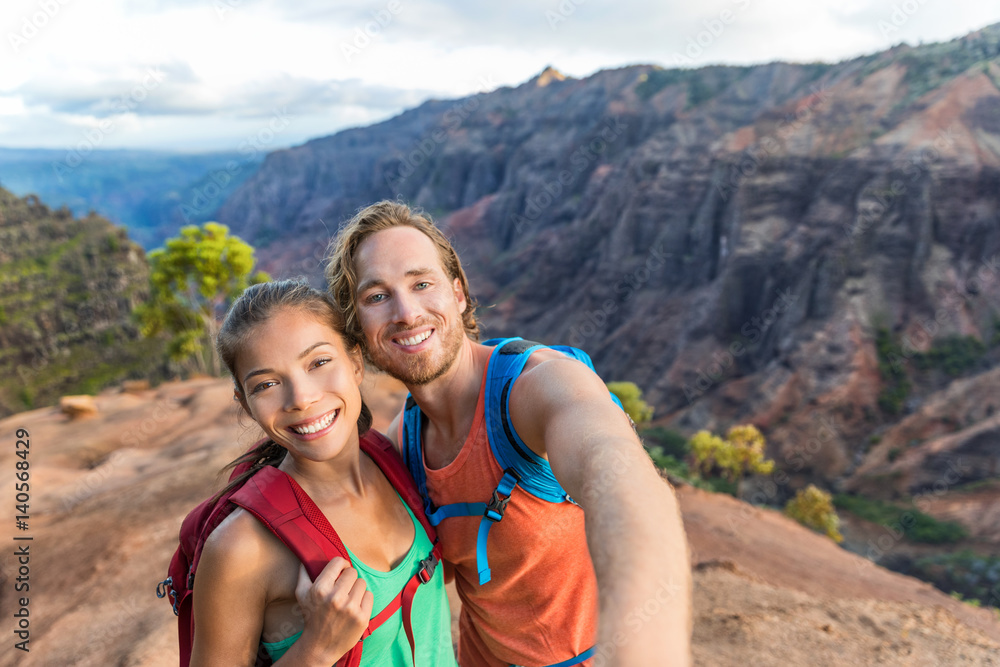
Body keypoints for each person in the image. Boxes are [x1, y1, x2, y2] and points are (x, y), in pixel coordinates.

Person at [326, 202, 692, 667]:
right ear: (358, 324)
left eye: (422, 284)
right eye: (377, 296)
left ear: (457, 293)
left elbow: (625, 485)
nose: (406, 312)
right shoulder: (404, 443)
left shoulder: (538, 388)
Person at [189, 280, 458, 667]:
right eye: (266, 384)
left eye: (318, 363)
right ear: (246, 405)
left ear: (355, 362)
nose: (301, 398)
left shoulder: (393, 461)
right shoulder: (241, 548)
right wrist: (317, 648)